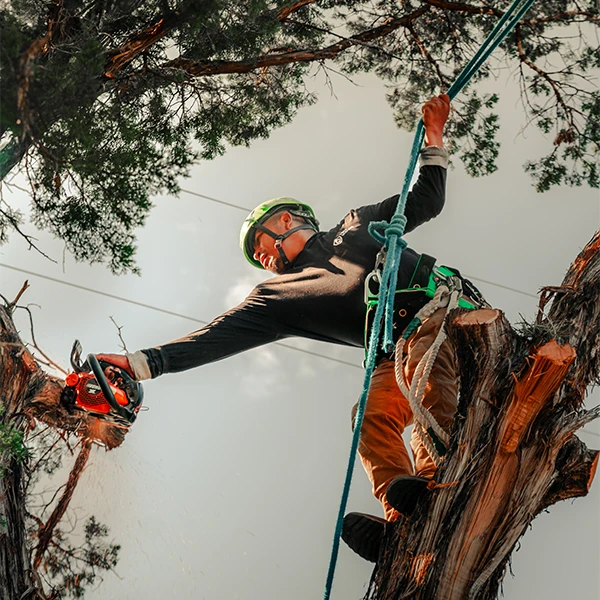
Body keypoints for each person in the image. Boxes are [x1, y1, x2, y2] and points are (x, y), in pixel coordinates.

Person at [97, 94, 484, 563]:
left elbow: (426, 200)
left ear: (284, 220)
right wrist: (143, 363)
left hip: (442, 314)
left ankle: (439, 485)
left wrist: (434, 137)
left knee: (426, 387)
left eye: (258, 244)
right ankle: (405, 519)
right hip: (394, 352)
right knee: (368, 415)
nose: (260, 258)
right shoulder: (278, 298)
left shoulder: (356, 225)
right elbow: (217, 336)